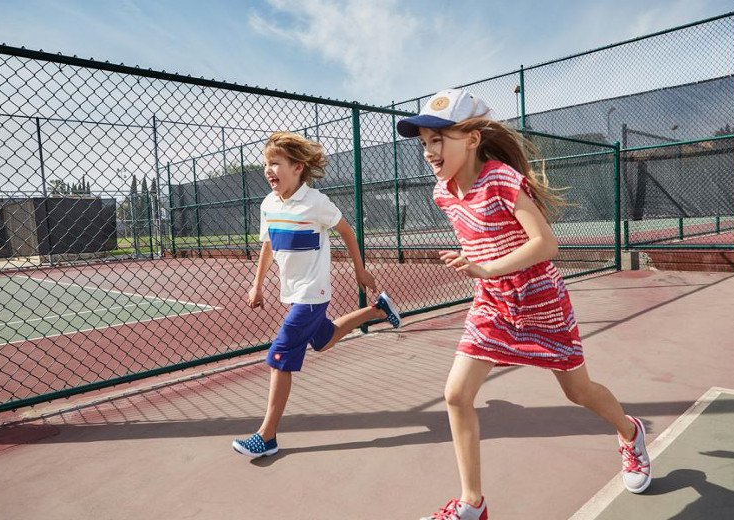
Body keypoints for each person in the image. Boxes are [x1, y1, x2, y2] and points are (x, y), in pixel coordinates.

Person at [396, 89, 651, 520]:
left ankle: (630, 433)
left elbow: (545, 244)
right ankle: (472, 505)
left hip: (541, 302)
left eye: (438, 140)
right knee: (456, 394)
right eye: (424, 143)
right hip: (493, 304)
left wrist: (486, 267)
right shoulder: (442, 193)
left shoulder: (500, 179)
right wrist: (475, 262)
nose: (429, 151)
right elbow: (479, 239)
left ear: (472, 139)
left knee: (578, 391)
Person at [232, 131, 402, 458]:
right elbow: (268, 244)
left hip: (313, 293)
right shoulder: (269, 204)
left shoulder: (316, 202)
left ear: (297, 167)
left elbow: (347, 231)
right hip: (293, 293)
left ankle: (267, 436)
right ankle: (379, 310)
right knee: (324, 340)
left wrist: (360, 269)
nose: (268, 170)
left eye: (276, 163)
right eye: (266, 164)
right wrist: (257, 284)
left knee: (280, 355)